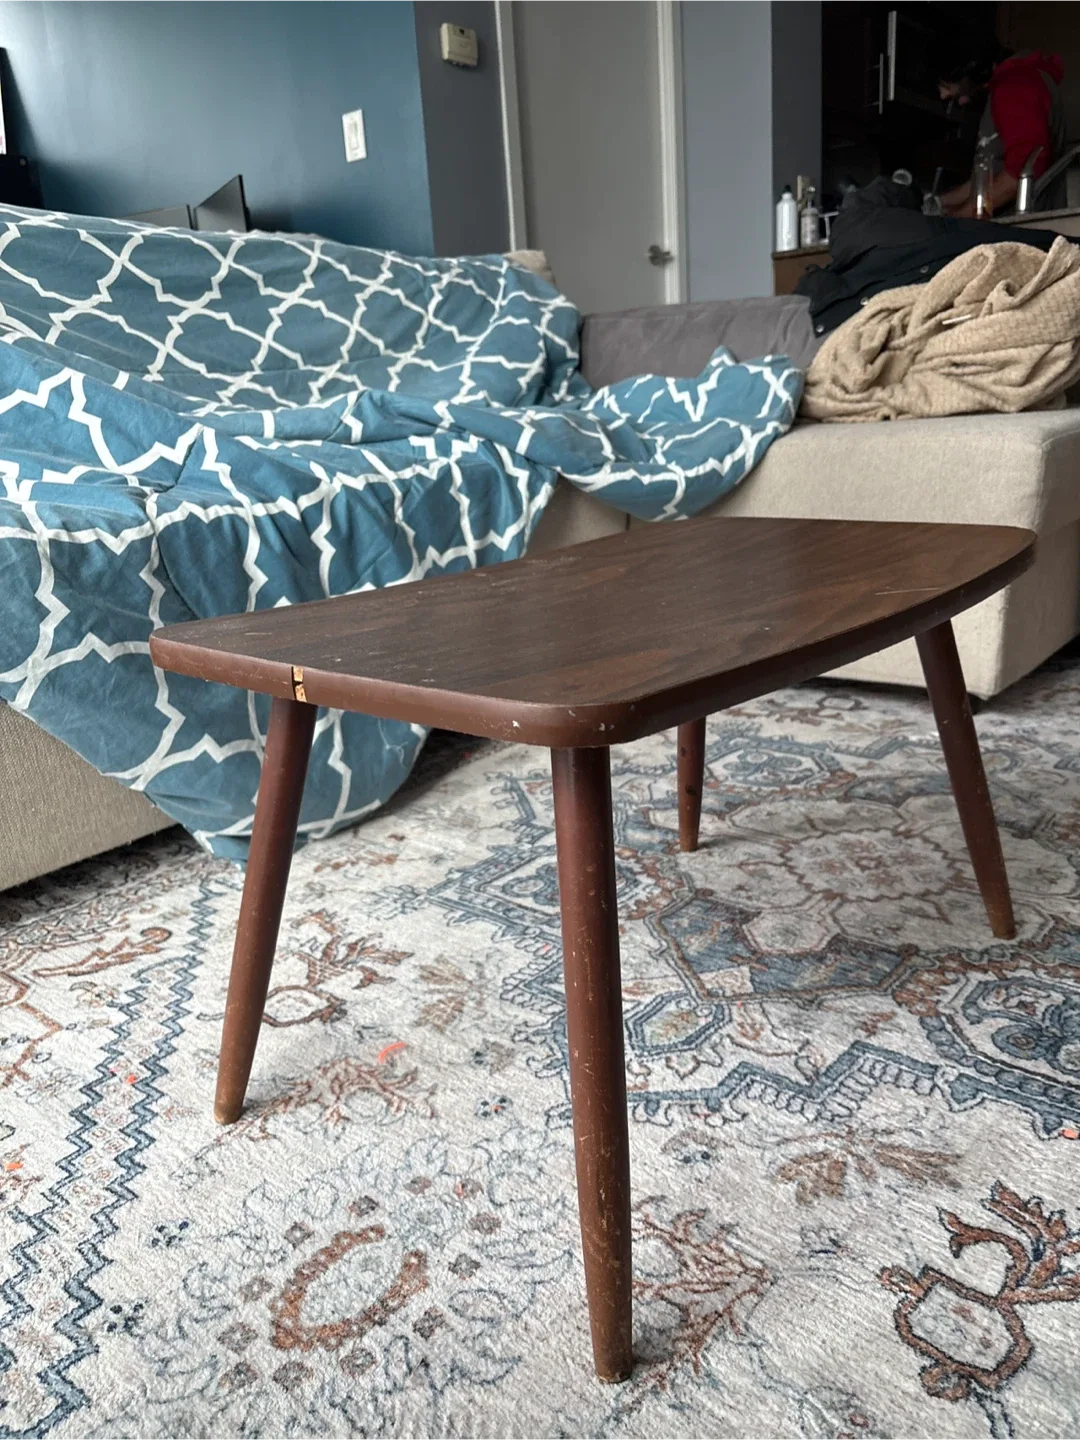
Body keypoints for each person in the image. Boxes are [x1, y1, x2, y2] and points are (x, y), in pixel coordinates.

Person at [937, 45, 1068, 217]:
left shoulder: (1015, 86)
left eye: (947, 85)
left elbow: (1018, 176)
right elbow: (985, 182)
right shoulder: (1011, 84)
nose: (943, 95)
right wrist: (939, 203)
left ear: (973, 70)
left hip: (1021, 232)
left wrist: (956, 220)